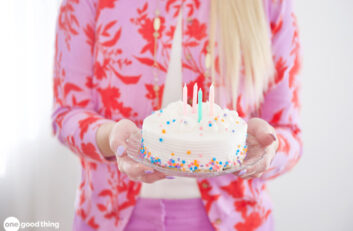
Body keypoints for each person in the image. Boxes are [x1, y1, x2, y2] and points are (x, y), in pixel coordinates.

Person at [52, 0, 302, 230]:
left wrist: (268, 148)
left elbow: (289, 133)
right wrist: (111, 138)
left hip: (238, 219)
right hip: (109, 217)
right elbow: (66, 114)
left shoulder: (270, 4)